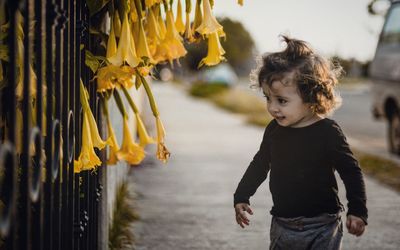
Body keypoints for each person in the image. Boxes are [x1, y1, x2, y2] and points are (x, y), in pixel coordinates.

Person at [233, 35, 368, 250]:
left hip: (323, 225)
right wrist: (241, 195)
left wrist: (358, 210)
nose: (273, 108)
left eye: (282, 101)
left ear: (311, 96)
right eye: (268, 98)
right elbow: (260, 164)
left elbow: (351, 171)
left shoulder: (327, 132)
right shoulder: (274, 130)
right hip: (283, 224)